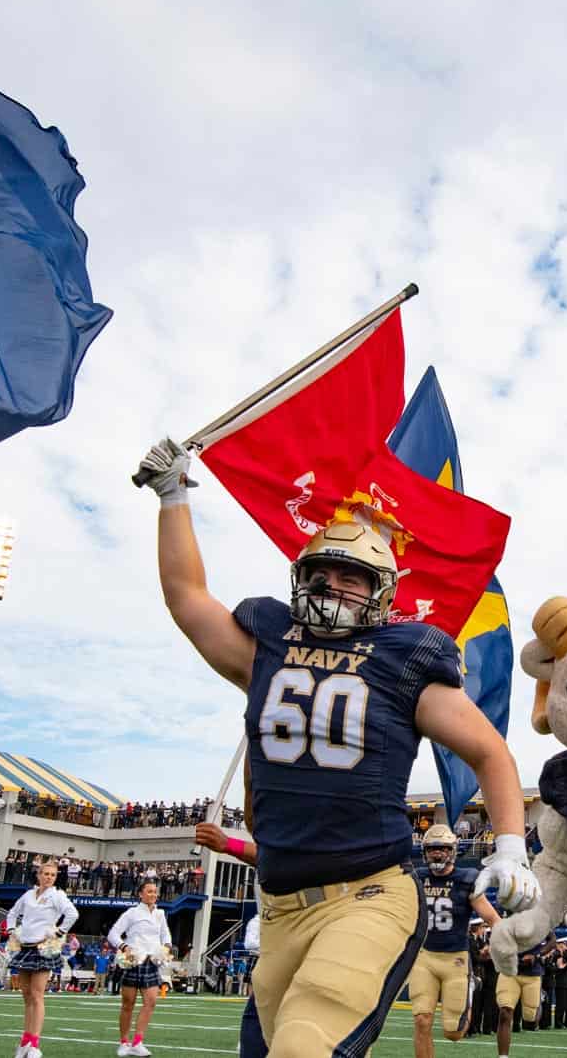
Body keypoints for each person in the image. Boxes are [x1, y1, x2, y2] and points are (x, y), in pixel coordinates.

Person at [139, 437, 537, 1057]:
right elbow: (187, 598)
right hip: (278, 908)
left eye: (350, 577)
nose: (331, 586)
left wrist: (512, 847)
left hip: (368, 894)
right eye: (321, 573)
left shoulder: (402, 660)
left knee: (306, 1044)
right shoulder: (265, 645)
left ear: (381, 590)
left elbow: (490, 752)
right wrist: (173, 498)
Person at [408, 824, 499, 1058]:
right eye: (432, 849)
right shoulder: (416, 878)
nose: (437, 853)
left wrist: (496, 944)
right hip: (423, 958)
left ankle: (471, 985)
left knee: (453, 1033)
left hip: (455, 959)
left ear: (453, 850)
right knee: (421, 1020)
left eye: (443, 848)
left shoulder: (466, 879)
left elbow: (492, 918)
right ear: (425, 852)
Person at [8, 859, 79, 1055]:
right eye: (45, 874)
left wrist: (58, 933)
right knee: (26, 995)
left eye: (52, 875)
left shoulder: (57, 896)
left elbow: (72, 914)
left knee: (37, 995)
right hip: (25, 947)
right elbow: (13, 913)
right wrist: (12, 930)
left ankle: (35, 1044)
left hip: (43, 948)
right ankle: (25, 1041)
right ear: (38, 875)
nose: (48, 877)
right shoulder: (29, 894)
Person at [107, 879, 173, 1058]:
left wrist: (166, 946)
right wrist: (124, 947)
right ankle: (123, 1042)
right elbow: (113, 934)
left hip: (151, 962)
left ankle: (138, 1042)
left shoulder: (160, 914)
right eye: (149, 891)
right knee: (128, 1004)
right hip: (133, 961)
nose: (153, 894)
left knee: (151, 1001)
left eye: (155, 892)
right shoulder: (132, 913)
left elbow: (165, 934)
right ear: (141, 894)